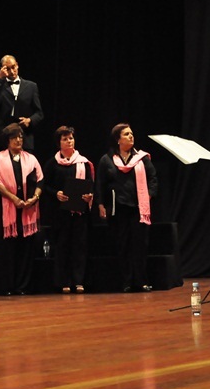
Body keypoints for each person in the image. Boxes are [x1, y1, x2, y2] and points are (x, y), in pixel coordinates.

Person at [95, 123, 158, 293]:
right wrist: (101, 204)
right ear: (118, 140)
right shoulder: (107, 160)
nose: (131, 136)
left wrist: (149, 195)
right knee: (123, 245)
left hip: (138, 209)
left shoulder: (142, 158)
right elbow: (100, 184)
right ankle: (126, 282)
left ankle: (142, 281)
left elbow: (152, 179)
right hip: (118, 209)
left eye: (132, 133)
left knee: (140, 245)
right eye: (126, 134)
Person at [0, 123, 43, 295]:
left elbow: (40, 180)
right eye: (14, 137)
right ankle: (8, 286)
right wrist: (14, 199)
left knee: (26, 249)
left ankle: (22, 285)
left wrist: (34, 198)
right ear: (7, 140)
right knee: (8, 250)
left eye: (20, 137)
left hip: (28, 209)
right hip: (8, 210)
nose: (18, 140)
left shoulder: (31, 158)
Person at [42, 126, 94, 294]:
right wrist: (56, 194)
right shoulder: (52, 163)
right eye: (65, 139)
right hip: (60, 213)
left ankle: (78, 281)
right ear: (59, 143)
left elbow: (91, 185)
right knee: (62, 246)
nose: (69, 141)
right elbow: (45, 186)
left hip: (79, 212)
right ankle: (63, 281)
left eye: (71, 138)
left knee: (79, 246)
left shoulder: (83, 162)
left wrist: (89, 196)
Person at [0, 55, 43, 153]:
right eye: (8, 69)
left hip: (25, 137)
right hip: (3, 139)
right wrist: (0, 79)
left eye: (13, 67)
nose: (12, 71)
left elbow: (39, 113)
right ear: (2, 69)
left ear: (17, 65)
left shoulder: (31, 86)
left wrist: (29, 120)